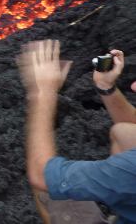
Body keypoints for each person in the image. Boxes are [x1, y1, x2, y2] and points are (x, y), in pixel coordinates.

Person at [18, 39, 136, 224]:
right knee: (124, 132)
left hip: (129, 176)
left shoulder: (130, 169)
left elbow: (40, 175)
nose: (134, 86)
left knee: (46, 186)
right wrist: (107, 88)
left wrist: (43, 91)